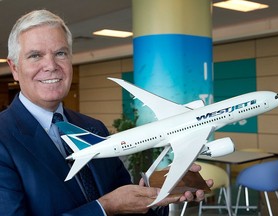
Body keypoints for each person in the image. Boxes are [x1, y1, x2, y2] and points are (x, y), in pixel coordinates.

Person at [0, 9, 213, 216]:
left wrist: (156, 193)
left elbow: (125, 202)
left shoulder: (92, 127)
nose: (51, 65)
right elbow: (113, 204)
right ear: (15, 68)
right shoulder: (4, 138)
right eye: (35, 55)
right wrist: (104, 207)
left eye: (60, 53)